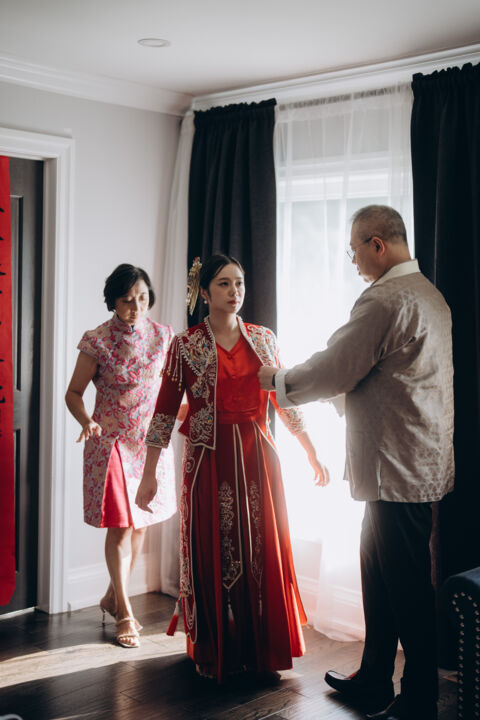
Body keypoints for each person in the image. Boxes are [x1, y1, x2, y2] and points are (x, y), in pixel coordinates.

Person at [258, 206, 454, 720]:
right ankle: (373, 675)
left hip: (396, 465)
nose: (353, 263)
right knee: (378, 573)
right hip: (414, 457)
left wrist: (278, 382)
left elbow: (338, 366)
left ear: (377, 245)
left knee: (406, 586)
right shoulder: (430, 294)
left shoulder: (386, 298)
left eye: (354, 252)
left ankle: (419, 700)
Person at [136, 254, 329, 682]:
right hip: (208, 458)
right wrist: (149, 474)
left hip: (258, 455)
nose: (234, 291)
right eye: (224, 284)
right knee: (212, 550)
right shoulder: (185, 345)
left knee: (261, 550)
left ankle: (261, 649)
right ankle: (213, 649)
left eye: (239, 283)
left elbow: (284, 400)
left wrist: (310, 450)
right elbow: (163, 414)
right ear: (205, 292)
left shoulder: (263, 339)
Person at [65, 264, 177, 649]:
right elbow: (73, 393)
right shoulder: (96, 341)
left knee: (141, 525)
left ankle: (114, 596)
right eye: (127, 300)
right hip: (110, 441)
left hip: (149, 443)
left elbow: (171, 388)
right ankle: (125, 612)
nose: (136, 306)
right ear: (113, 300)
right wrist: (87, 421)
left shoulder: (163, 336)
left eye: (142, 298)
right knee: (120, 526)